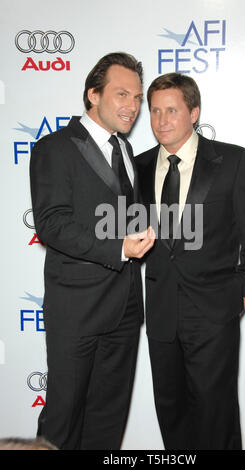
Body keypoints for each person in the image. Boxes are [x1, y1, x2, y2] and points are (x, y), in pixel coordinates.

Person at [136, 72, 245, 450]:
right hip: (161, 314)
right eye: (155, 111)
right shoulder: (138, 166)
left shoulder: (232, 161)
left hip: (214, 314)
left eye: (172, 110)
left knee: (217, 419)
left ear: (194, 112)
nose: (162, 120)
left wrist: (243, 295)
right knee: (172, 417)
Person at [30, 52, 155, 450]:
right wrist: (119, 247)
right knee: (63, 423)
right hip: (78, 310)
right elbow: (52, 223)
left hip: (125, 311)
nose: (132, 106)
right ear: (92, 95)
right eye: (122, 94)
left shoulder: (128, 153)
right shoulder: (57, 147)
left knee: (107, 423)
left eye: (136, 97)